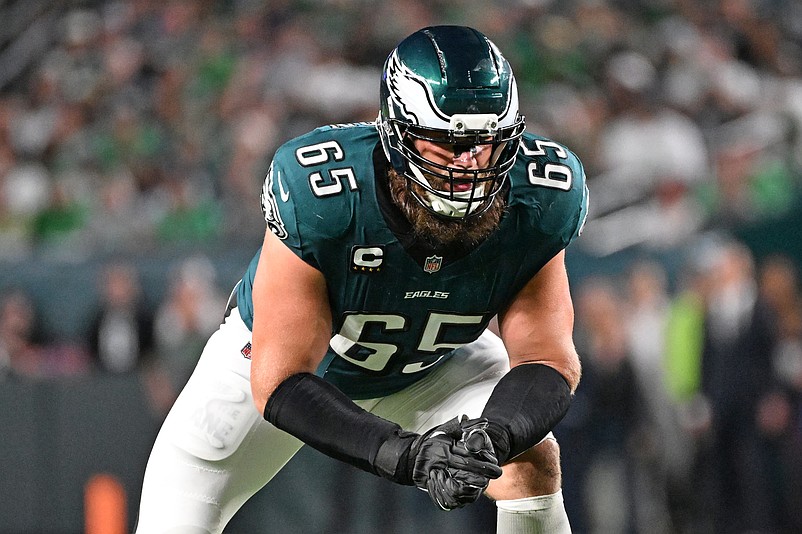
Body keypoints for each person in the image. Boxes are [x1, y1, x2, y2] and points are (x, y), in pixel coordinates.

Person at [135, 25, 588, 534]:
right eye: (446, 143)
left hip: (426, 364)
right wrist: (408, 455)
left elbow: (548, 358)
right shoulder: (323, 193)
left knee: (531, 460)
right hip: (291, 367)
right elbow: (281, 381)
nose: (470, 167)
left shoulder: (537, 196)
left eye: (485, 143)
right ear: (397, 135)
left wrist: (496, 436)